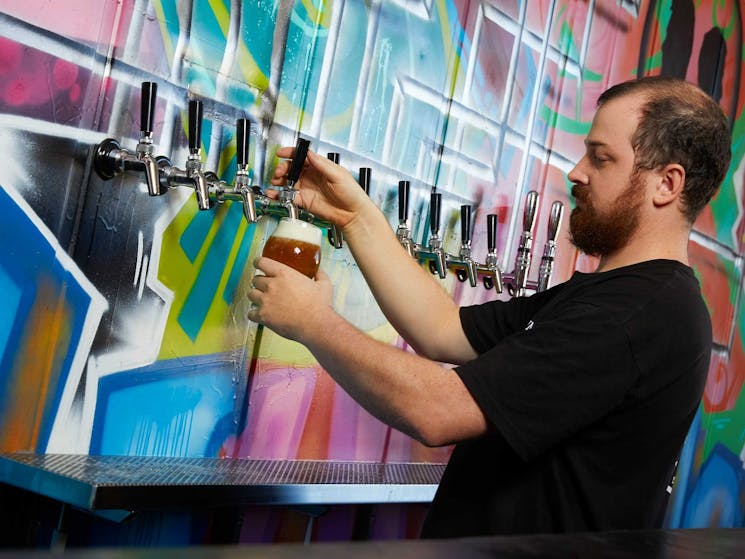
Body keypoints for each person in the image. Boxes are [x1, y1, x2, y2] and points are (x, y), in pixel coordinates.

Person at [247, 76, 731, 537]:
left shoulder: (639, 315)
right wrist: (355, 217)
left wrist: (315, 323)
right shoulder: (615, 295)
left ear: (667, 184)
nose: (576, 173)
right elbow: (444, 328)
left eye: (601, 159)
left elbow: (436, 410)